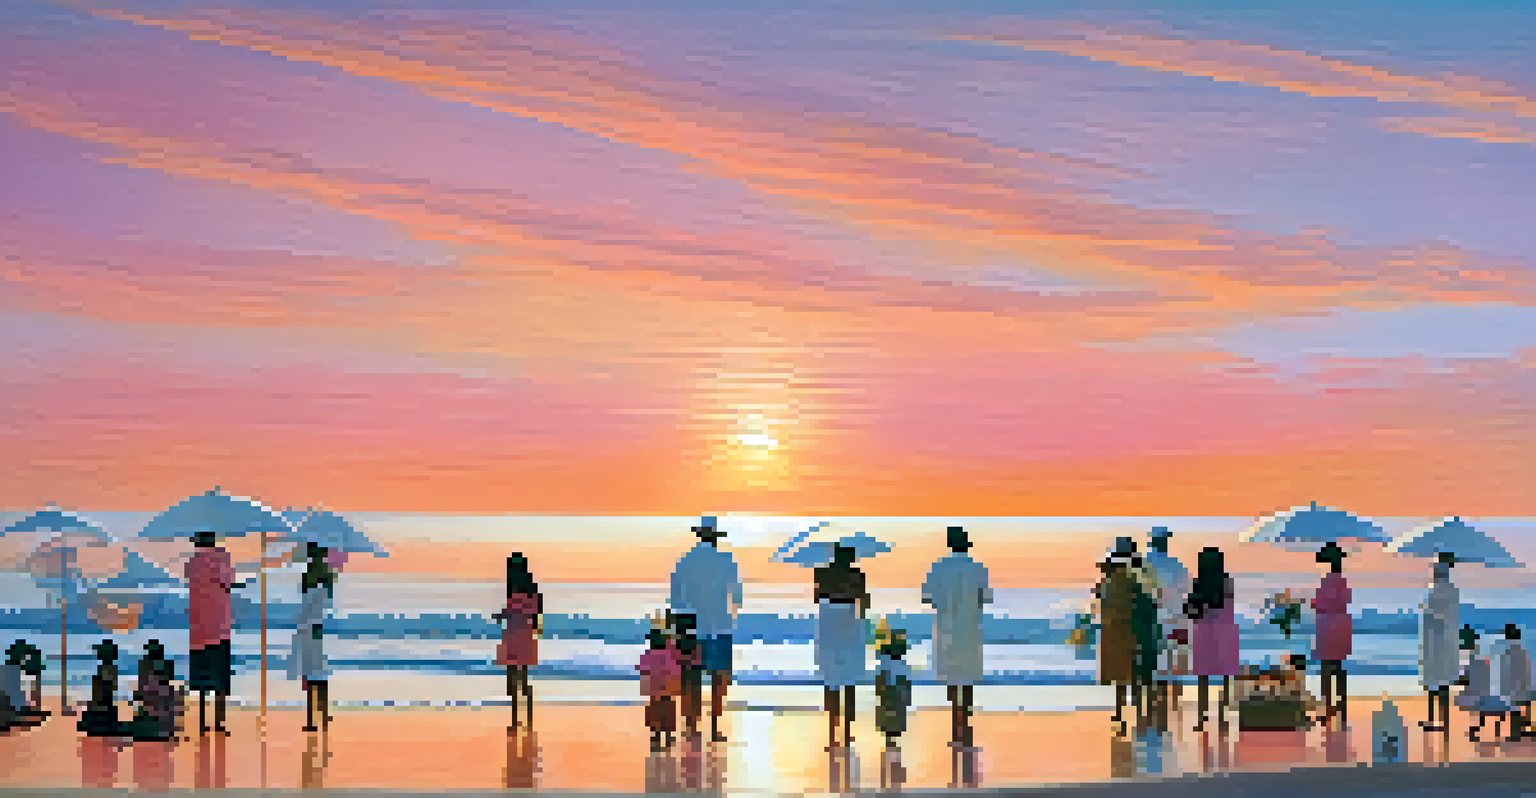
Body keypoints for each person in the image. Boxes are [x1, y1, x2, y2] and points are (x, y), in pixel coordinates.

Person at [669, 516, 742, 744]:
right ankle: (714, 727)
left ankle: (691, 727)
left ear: (700, 535)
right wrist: (731, 614)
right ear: (715, 537)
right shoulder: (726, 560)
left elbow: (675, 598)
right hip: (719, 626)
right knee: (719, 679)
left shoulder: (684, 561)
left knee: (691, 679)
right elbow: (737, 596)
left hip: (689, 626)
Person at [922, 526, 992, 747]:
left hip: (946, 628)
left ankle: (956, 725)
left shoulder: (938, 568)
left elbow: (928, 598)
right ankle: (967, 725)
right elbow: (985, 598)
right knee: (968, 679)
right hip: (970, 628)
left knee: (951, 678)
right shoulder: (978, 568)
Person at [186, 529, 246, 735]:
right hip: (219, 627)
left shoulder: (192, 563)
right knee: (220, 680)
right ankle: (219, 723)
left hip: (197, 629)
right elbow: (228, 582)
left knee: (202, 680)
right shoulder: (221, 558)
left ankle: (203, 722)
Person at [814, 543, 869, 749]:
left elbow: (816, 597)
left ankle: (832, 730)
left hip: (828, 623)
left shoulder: (822, 573)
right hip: (849, 623)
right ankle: (846, 732)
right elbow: (863, 603)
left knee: (831, 679)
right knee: (849, 679)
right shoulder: (857, 576)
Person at [1186, 546, 1238, 731]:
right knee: (1225, 677)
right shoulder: (1227, 582)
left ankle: (1202, 718)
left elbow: (1191, 611)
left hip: (1204, 631)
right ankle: (1223, 717)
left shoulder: (1199, 584)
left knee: (1203, 677)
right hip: (1226, 632)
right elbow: (1228, 607)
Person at [1094, 543, 1144, 726]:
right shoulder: (1132, 581)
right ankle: (1136, 710)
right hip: (1128, 630)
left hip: (1112, 631)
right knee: (1132, 674)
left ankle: (1119, 712)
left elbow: (1100, 600)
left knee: (1119, 678)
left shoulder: (1107, 583)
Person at [290, 542, 337, 732]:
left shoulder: (309, 574)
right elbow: (327, 600)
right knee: (319, 672)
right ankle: (323, 713)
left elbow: (305, 601)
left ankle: (312, 719)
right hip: (319, 625)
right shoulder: (327, 574)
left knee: (311, 673)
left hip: (309, 626)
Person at [1143, 527, 1192, 706]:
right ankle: (1174, 702)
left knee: (1151, 664)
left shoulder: (1143, 563)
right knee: (1174, 664)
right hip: (1176, 619)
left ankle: (1152, 701)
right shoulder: (1176, 565)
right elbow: (1187, 591)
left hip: (1150, 620)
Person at [495, 553, 542, 731]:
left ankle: (520, 720)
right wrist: (503, 615)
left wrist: (504, 615)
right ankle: (523, 720)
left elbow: (520, 612)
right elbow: (529, 615)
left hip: (517, 639)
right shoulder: (529, 593)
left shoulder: (520, 593)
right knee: (519, 681)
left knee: (515, 682)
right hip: (520, 638)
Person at [1419, 554, 1460, 731]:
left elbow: (1436, 615)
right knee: (1439, 682)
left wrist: (1428, 614)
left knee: (1436, 682)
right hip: (1443, 641)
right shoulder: (1450, 590)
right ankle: (1441, 719)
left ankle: (1436, 719)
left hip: (1437, 641)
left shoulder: (1439, 590)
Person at [1313, 542, 1352, 725]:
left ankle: (1329, 708)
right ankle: (1342, 705)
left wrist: (1315, 603)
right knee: (1338, 666)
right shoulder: (1342, 581)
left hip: (1328, 626)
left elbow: (1322, 604)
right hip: (1341, 626)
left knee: (1326, 668)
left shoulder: (1328, 581)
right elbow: (1343, 601)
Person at [639, 625, 682, 751]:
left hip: (654, 691)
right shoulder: (667, 655)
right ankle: (668, 736)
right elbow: (675, 671)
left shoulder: (648, 654)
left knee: (655, 715)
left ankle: (656, 737)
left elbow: (643, 671)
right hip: (666, 690)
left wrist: (645, 689)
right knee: (667, 714)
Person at [130, 639, 179, 741]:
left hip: (156, 697)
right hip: (156, 696)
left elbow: (143, 684)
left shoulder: (149, 665)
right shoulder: (161, 665)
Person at [78, 640, 126, 736]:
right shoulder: (108, 668)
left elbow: (106, 690)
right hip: (103, 704)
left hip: (104, 704)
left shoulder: (109, 669)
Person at [875, 629, 913, 750]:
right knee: (895, 715)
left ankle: (889, 738)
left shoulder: (885, 661)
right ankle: (892, 738)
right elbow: (905, 681)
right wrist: (907, 697)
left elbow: (880, 678)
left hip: (890, 689)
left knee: (889, 715)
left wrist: (879, 690)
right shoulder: (900, 663)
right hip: (896, 689)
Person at [1493, 623, 1532, 741]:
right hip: (1521, 684)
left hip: (1515, 684)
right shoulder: (1521, 650)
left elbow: (1507, 671)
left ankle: (1516, 734)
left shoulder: (1511, 651)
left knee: (1515, 709)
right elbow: (1525, 669)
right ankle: (1520, 730)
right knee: (1518, 708)